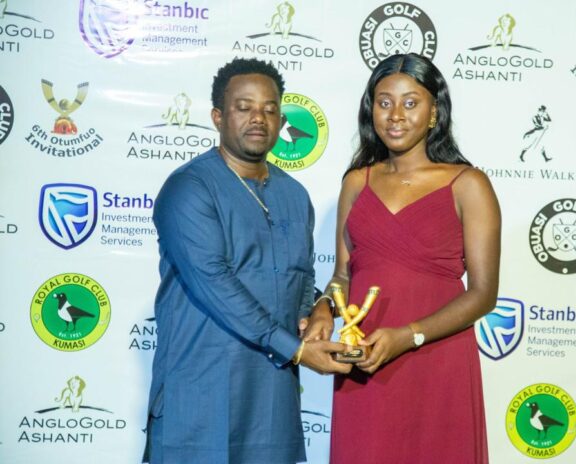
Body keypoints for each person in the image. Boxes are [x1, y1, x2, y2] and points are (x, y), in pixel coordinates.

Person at [143, 58, 351, 464]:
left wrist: (315, 315)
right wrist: (296, 350)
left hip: (272, 403)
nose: (258, 118)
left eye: (270, 109)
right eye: (244, 107)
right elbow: (215, 283)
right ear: (218, 117)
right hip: (201, 396)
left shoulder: (294, 195)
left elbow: (300, 277)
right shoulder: (189, 188)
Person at [305, 53, 501, 463]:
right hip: (367, 361)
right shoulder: (357, 182)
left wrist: (409, 335)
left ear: (434, 112)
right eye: (384, 102)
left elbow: (483, 294)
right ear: (370, 109)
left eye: (411, 103)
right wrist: (324, 307)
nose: (395, 115)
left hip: (437, 358)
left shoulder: (468, 184)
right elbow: (343, 275)